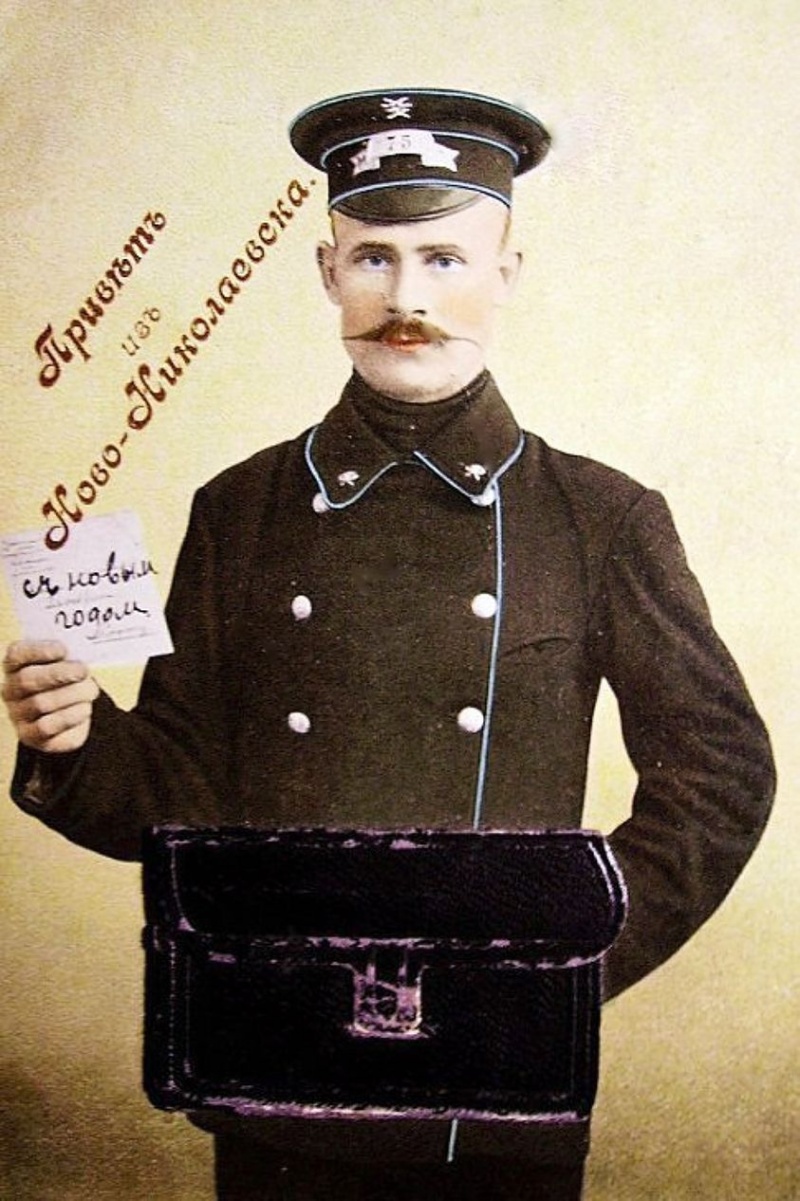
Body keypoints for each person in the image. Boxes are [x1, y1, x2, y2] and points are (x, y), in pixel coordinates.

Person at [2, 89, 775, 1200]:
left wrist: (563, 959)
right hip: (278, 1059)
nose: (406, 299)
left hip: (493, 1076)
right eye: (373, 258)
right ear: (327, 272)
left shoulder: (599, 516)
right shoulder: (240, 508)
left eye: (444, 259)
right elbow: (179, 790)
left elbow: (721, 772)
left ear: (505, 273)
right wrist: (73, 738)